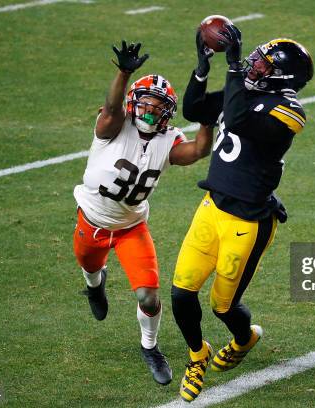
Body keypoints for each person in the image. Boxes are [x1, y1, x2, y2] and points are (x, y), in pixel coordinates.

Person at [170, 24, 314, 402]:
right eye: (257, 60)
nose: (255, 65)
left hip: (247, 223)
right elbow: (194, 109)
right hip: (212, 207)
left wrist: (233, 67)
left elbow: (235, 119)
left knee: (222, 306)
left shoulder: (288, 110)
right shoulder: (246, 91)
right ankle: (197, 356)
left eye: (265, 64)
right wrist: (202, 68)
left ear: (284, 75)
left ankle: (244, 338)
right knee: (182, 293)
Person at [72, 41, 212, 386]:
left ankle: (149, 347)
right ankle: (95, 285)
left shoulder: (169, 140)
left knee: (148, 295)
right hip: (92, 219)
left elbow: (197, 150)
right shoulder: (113, 125)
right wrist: (124, 72)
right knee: (90, 267)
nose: (150, 111)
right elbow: (110, 106)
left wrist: (208, 120)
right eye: (145, 103)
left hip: (132, 226)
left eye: (157, 106)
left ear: (168, 112)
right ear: (133, 103)